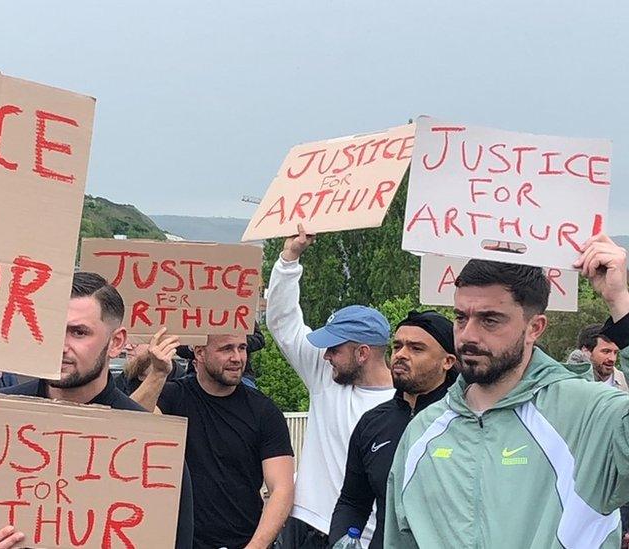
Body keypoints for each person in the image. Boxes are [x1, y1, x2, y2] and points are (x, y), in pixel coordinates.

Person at [385, 234, 629, 547]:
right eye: (461, 317)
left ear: (535, 328)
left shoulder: (590, 414)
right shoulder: (423, 430)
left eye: (490, 320)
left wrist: (620, 303)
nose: (468, 335)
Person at [0, 271, 195, 549]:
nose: (61, 346)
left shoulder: (153, 444)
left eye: (79, 332)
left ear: (116, 342)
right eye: (53, 330)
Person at [267, 223, 393, 548]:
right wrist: (289, 259)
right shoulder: (327, 376)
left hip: (361, 539)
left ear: (363, 353)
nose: (326, 356)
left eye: (335, 348)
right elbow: (283, 323)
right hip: (306, 526)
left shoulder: (403, 406)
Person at [132, 332, 295, 549]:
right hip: (178, 542)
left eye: (242, 348)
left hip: (243, 541)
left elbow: (282, 489)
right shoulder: (173, 397)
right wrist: (158, 374)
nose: (237, 357)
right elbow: (130, 427)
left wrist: (255, 547)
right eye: (226, 349)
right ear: (199, 353)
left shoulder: (264, 412)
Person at [329, 310, 458, 548]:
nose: (401, 355)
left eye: (416, 348)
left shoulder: (465, 422)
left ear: (447, 361)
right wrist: (341, 541)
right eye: (397, 346)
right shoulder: (373, 422)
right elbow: (353, 501)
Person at [579, 323, 627, 391]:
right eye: (606, 351)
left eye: (615, 352)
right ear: (585, 351)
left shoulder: (626, 382)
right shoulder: (569, 382)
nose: (612, 359)